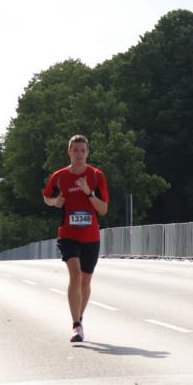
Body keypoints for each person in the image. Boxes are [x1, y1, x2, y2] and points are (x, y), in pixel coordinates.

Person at [43, 134, 110, 342]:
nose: (79, 154)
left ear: (87, 152)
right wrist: (55, 202)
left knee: (86, 280)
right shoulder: (59, 176)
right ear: (69, 152)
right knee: (75, 275)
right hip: (68, 234)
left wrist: (89, 193)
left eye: (83, 150)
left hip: (91, 236)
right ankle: (76, 325)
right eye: (75, 150)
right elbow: (47, 197)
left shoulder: (97, 176)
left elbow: (104, 209)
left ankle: (79, 316)